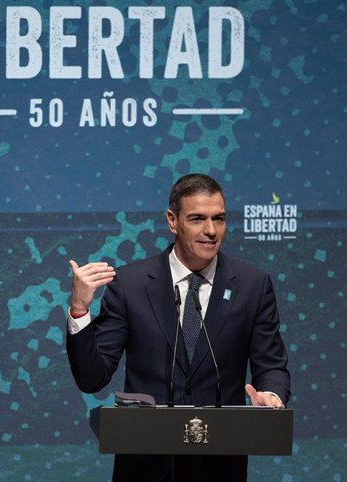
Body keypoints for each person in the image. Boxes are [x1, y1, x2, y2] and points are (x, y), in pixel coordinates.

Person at [65, 173, 290, 482]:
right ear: (172, 221)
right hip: (145, 465)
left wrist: (271, 394)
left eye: (219, 219)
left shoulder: (253, 285)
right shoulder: (130, 285)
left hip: (220, 465)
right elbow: (93, 378)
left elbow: (271, 364)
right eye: (197, 219)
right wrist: (79, 311)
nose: (210, 231)